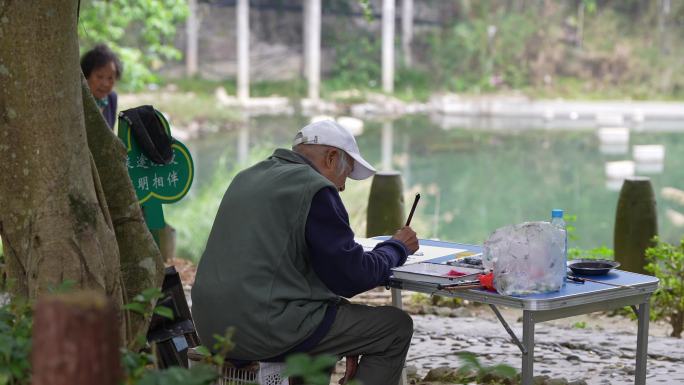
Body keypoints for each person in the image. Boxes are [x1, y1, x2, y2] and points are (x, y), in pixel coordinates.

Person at [192, 120, 419, 385]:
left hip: (211, 326)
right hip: (262, 327)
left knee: (325, 323)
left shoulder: (248, 177)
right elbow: (353, 276)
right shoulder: (314, 188)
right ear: (332, 158)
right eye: (345, 175)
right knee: (394, 328)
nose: (343, 187)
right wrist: (397, 247)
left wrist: (348, 336)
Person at [80, 44, 122, 129]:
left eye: (110, 78)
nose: (106, 84)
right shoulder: (78, 99)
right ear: (86, 75)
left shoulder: (111, 98)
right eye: (99, 76)